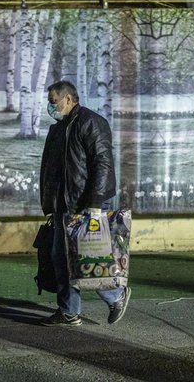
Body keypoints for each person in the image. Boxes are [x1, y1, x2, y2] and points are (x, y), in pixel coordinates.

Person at [38, 80, 130, 326]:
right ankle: (69, 311)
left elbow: (103, 163)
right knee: (61, 259)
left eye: (53, 101)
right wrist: (51, 204)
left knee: (89, 258)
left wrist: (96, 201)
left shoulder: (91, 122)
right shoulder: (59, 128)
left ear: (68, 99)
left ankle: (116, 296)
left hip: (86, 204)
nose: (50, 106)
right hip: (63, 207)